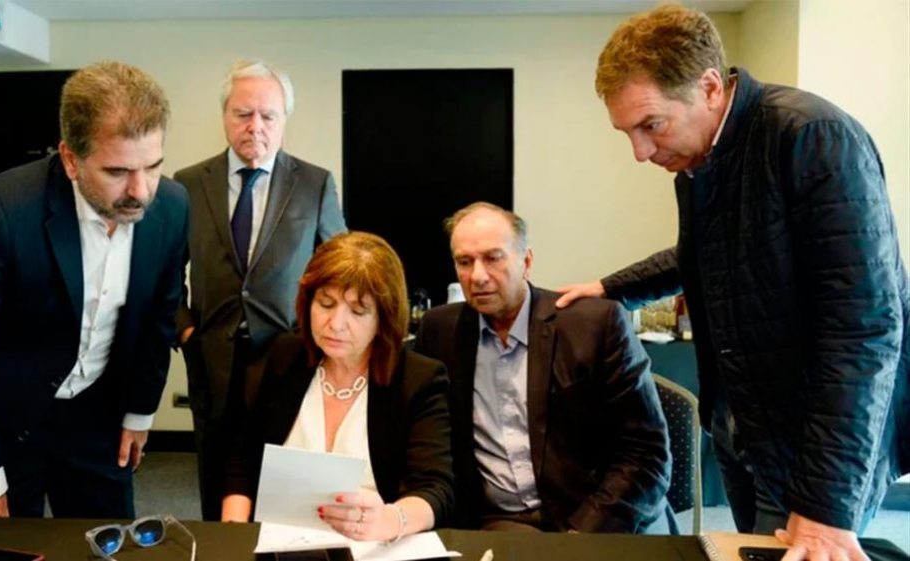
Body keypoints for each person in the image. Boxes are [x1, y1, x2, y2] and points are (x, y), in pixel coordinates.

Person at [557, 5, 910, 559]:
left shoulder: (813, 137)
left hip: (812, 445)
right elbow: (701, 254)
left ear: (709, 88)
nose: (640, 152)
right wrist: (612, 287)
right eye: (628, 133)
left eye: (651, 126)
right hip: (743, 426)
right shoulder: (701, 159)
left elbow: (863, 330)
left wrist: (826, 504)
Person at [0, 61, 189, 533]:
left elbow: (159, 316)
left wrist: (140, 411)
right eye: (118, 171)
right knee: (6, 547)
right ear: (70, 159)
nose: (141, 191)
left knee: (108, 544)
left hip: (96, 414)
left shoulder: (174, 207)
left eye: (153, 166)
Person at [415, 203, 671, 534]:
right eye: (464, 262)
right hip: (504, 520)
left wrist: (582, 536)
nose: (477, 276)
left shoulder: (595, 324)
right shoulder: (440, 331)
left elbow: (645, 455)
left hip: (599, 512)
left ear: (526, 261)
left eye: (493, 258)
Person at [173, 59, 346, 521]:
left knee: (284, 494)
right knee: (217, 492)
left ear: (283, 119)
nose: (255, 126)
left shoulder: (314, 183)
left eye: (268, 115)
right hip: (212, 362)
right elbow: (165, 272)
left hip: (289, 361)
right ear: (224, 116)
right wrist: (187, 332)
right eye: (243, 114)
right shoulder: (188, 185)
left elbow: (339, 271)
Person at [222, 231, 453, 541]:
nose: (335, 324)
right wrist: (234, 536)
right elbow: (243, 462)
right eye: (326, 304)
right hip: (279, 540)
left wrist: (390, 519)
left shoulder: (418, 379)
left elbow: (435, 488)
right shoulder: (285, 357)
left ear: (383, 319)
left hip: (372, 545)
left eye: (358, 311)